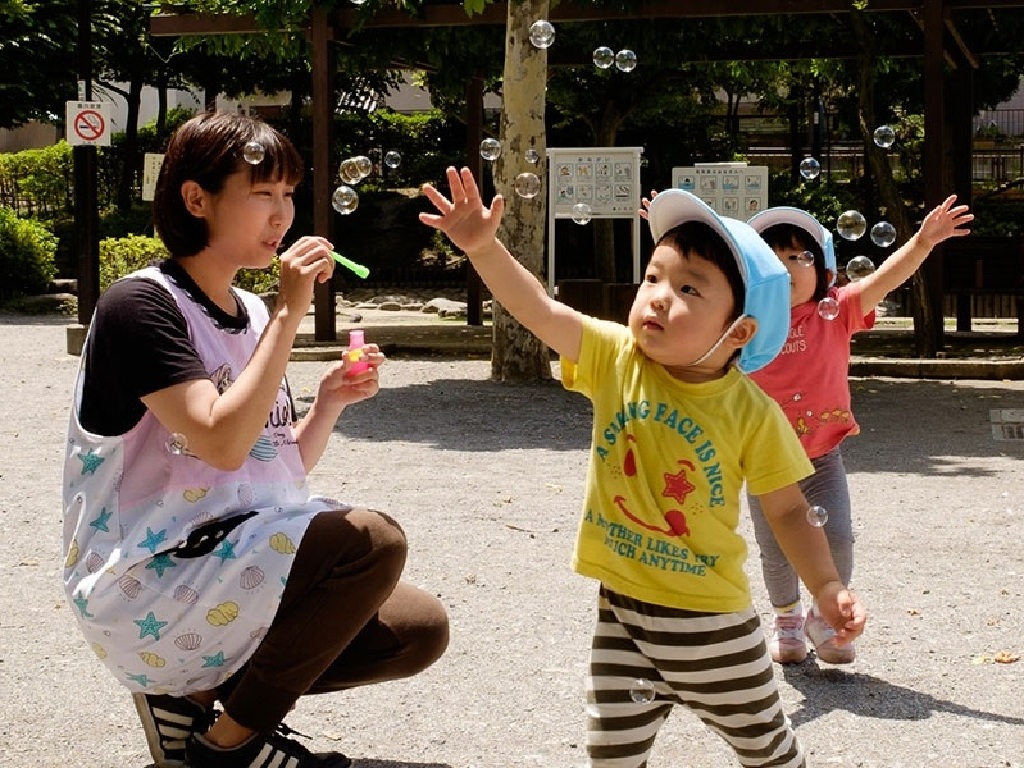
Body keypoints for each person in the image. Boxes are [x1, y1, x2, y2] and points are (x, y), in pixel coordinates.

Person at [420, 166, 866, 768]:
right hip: (622, 612)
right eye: (654, 276)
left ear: (740, 331)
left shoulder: (751, 412)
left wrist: (828, 585)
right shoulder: (615, 357)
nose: (659, 294)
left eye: (690, 289)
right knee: (612, 752)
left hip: (712, 625)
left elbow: (788, 507)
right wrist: (482, 246)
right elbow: (540, 311)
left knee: (766, 749)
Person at [62, 112, 449, 768]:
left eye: (290, 195)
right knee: (371, 542)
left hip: (226, 565)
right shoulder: (139, 308)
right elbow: (219, 442)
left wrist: (326, 404)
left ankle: (192, 702)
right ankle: (229, 747)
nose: (283, 215)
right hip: (150, 578)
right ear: (196, 199)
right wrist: (294, 312)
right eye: (263, 194)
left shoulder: (255, 312)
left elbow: (269, 460)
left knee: (416, 631)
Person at [742, 197, 971, 665]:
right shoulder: (745, 324)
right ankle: (786, 618)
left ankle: (825, 618)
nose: (785, 268)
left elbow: (887, 276)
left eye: (797, 257)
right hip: (765, 460)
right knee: (774, 550)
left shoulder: (838, 309)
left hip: (821, 456)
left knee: (839, 537)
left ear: (824, 271)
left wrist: (923, 240)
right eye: (772, 258)